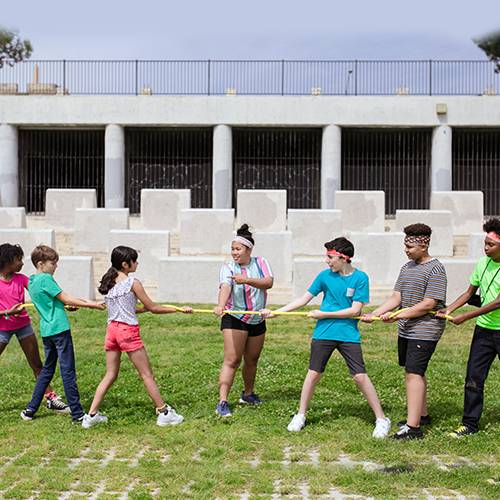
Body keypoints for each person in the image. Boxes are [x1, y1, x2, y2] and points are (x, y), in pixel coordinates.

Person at [262, 237, 391, 438]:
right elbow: (303, 299)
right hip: (323, 333)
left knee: (359, 376)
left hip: (348, 334)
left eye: (330, 257)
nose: (327, 261)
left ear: (343, 257)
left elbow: (354, 310)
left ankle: (381, 419)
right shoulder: (324, 276)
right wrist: (276, 312)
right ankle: (300, 415)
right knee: (313, 374)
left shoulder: (361, 278)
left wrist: (324, 314)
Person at [82, 246, 192, 429]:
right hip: (127, 333)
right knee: (146, 374)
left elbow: (126, 308)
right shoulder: (132, 282)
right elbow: (154, 307)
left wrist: (141, 309)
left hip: (112, 332)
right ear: (125, 264)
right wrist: (179, 309)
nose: (137, 263)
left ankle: (91, 415)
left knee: (110, 374)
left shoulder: (109, 282)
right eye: (135, 260)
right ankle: (164, 412)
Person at [362, 223, 447, 440]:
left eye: (410, 246)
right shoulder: (406, 268)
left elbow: (429, 304)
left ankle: (413, 428)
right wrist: (375, 313)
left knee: (413, 373)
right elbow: (396, 298)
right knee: (414, 372)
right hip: (407, 329)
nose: (406, 250)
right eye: (405, 245)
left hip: (425, 329)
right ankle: (422, 415)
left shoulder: (436, 269)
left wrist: (398, 315)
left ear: (424, 245)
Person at [20, 245, 105, 422]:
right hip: (59, 330)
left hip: (47, 331)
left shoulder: (33, 281)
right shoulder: (46, 279)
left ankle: (30, 410)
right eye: (53, 263)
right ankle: (77, 413)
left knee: (47, 371)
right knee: (68, 371)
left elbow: (57, 301)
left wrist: (71, 304)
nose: (56, 266)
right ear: (41, 263)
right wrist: (93, 304)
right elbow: (66, 298)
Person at [437, 218, 500, 437]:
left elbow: (497, 302)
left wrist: (466, 317)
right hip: (484, 330)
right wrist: (449, 309)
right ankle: (469, 423)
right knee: (474, 377)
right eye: (485, 243)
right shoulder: (483, 263)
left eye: (490, 245)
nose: (485, 248)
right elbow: (469, 293)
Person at [0, 243, 70, 413]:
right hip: (3, 328)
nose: (22, 263)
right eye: (18, 260)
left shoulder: (22, 278)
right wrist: (8, 311)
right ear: (8, 261)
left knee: (37, 364)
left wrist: (64, 304)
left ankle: (51, 398)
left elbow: (43, 293)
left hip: (23, 326)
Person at [213, 224, 273, 417]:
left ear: (249, 250)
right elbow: (225, 286)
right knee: (232, 360)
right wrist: (221, 305)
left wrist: (246, 280)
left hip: (257, 319)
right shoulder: (228, 267)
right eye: (232, 249)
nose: (234, 253)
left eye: (238, 249)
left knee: (252, 359)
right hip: (235, 317)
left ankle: (248, 394)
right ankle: (222, 402)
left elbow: (269, 282)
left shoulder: (261, 262)